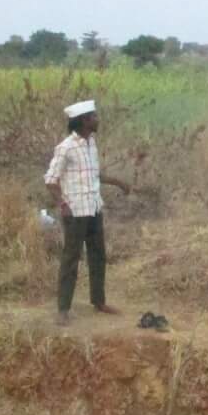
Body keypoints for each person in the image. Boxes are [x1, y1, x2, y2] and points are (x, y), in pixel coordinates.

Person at [44, 100, 135, 326]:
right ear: (84, 121)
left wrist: (119, 183)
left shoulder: (90, 143)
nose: (97, 119)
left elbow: (95, 174)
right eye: (94, 116)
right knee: (71, 259)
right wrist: (62, 204)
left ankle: (99, 302)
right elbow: (50, 180)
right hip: (75, 212)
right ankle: (63, 310)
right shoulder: (66, 147)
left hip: (94, 208)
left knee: (98, 256)